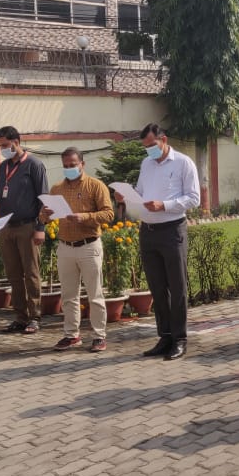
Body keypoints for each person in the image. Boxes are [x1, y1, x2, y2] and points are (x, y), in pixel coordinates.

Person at [119, 123, 200, 361]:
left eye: (152, 145)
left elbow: (194, 198)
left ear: (163, 140)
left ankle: (180, 339)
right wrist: (126, 196)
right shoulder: (146, 163)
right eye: (145, 147)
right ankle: (165, 336)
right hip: (148, 231)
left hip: (172, 229)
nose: (149, 150)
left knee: (177, 287)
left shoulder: (183, 162)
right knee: (157, 287)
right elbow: (141, 192)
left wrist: (164, 205)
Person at [40, 147, 114, 353]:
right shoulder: (57, 188)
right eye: (65, 166)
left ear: (82, 164)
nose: (69, 168)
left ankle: (99, 336)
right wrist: (45, 214)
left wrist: (85, 217)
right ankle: (71, 335)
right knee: (68, 295)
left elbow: (109, 214)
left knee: (95, 294)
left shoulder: (95, 185)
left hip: (89, 245)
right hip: (65, 246)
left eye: (73, 165)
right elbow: (44, 218)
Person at [0, 126, 49, 335]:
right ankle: (20, 317)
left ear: (16, 142)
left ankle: (35, 317)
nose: (2, 150)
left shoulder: (34, 165)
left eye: (5, 145)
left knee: (31, 273)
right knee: (14, 274)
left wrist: (40, 228)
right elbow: (2, 196)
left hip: (28, 226)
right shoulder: (3, 167)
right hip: (7, 227)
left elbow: (44, 199)